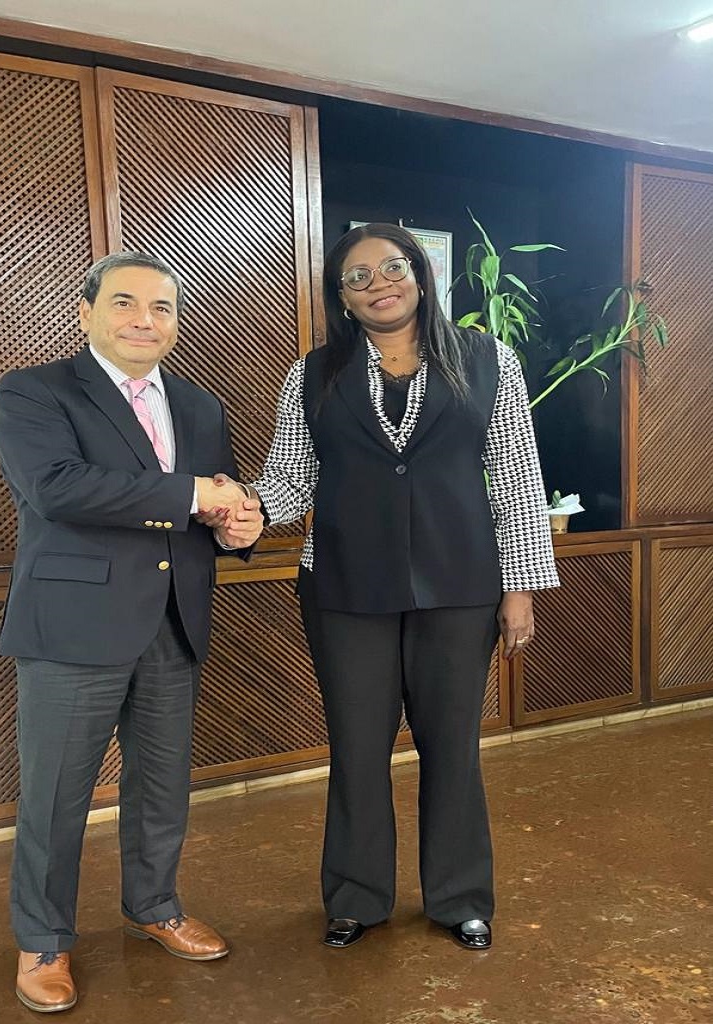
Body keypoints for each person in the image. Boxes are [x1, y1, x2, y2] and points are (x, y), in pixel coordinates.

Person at [218, 222, 560, 951]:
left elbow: (517, 478)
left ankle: (461, 897)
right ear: (341, 298)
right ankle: (355, 897)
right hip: (345, 586)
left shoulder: (487, 359)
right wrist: (245, 510)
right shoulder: (312, 373)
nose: (379, 284)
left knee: (453, 748)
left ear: (420, 275)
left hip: (460, 584)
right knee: (357, 747)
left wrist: (521, 586)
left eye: (392, 267)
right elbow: (291, 477)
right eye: (358, 277)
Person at [0, 251, 263, 1013]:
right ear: (86, 312)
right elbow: (57, 488)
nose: (145, 319)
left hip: (174, 621)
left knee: (163, 784)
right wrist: (195, 494)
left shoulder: (201, 405)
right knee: (55, 794)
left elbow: (211, 506)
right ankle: (43, 940)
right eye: (124, 302)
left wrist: (238, 526)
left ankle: (155, 906)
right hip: (72, 626)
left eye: (162, 307)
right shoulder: (36, 391)